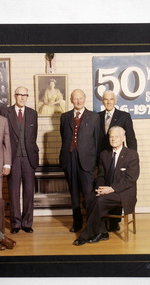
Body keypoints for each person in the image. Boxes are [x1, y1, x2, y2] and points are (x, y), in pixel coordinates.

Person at [73, 126, 139, 245]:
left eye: (116, 137)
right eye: (111, 136)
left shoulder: (132, 155)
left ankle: (86, 234)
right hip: (107, 190)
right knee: (89, 198)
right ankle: (101, 231)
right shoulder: (104, 154)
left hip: (123, 192)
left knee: (99, 201)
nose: (113, 139)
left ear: (123, 138)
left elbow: (130, 179)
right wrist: (99, 189)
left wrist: (111, 189)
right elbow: (101, 176)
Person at [59, 89, 100, 232]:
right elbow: (64, 137)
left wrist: (95, 162)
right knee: (74, 193)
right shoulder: (64, 117)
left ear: (85, 99)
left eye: (80, 98)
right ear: (71, 100)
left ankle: (91, 224)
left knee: (88, 193)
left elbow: (97, 141)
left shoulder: (94, 117)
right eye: (75, 98)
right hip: (69, 159)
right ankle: (77, 223)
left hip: (87, 161)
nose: (78, 101)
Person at [0, 86, 39, 234]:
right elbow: (3, 136)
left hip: (29, 158)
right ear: (14, 96)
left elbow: (32, 137)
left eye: (25, 95)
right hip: (13, 158)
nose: (22, 97)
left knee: (29, 192)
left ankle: (27, 223)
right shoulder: (5, 112)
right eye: (19, 95)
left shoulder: (32, 113)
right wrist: (6, 161)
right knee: (14, 191)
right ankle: (16, 223)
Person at [98, 90, 137, 231]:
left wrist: (132, 158)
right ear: (102, 101)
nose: (108, 102)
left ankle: (113, 224)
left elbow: (131, 139)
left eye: (111, 99)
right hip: (105, 158)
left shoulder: (124, 116)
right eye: (106, 99)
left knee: (117, 184)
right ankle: (104, 223)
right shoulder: (97, 116)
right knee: (104, 187)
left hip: (121, 157)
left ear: (115, 101)